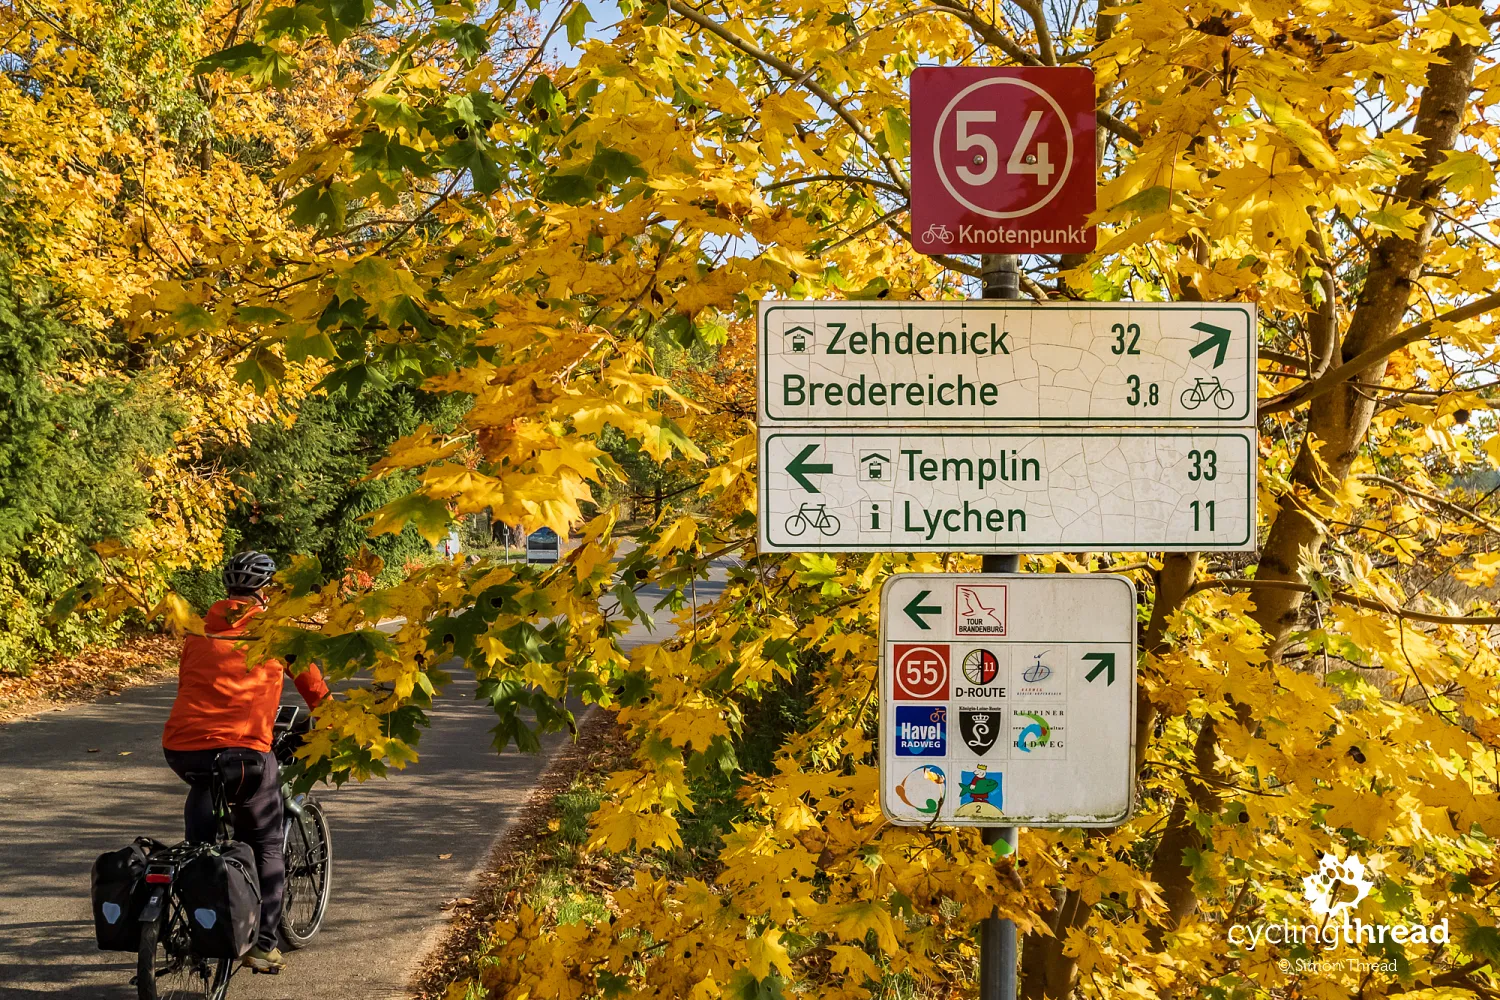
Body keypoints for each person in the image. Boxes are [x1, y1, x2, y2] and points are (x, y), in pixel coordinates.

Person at [161, 551, 329, 973]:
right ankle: (263, 944)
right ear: (267, 592)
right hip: (244, 753)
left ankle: (196, 896)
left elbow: (199, 685)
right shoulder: (278, 634)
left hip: (182, 748)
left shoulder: (199, 630)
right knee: (267, 842)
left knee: (203, 812)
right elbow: (316, 695)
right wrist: (333, 722)